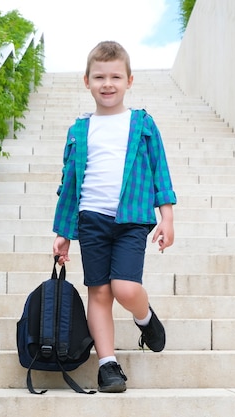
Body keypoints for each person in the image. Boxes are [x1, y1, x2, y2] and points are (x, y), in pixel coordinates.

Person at [51, 40, 177, 393]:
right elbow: (69, 184)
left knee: (124, 287)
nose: (108, 84)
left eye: (116, 77)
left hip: (132, 218)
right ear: (86, 81)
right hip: (91, 219)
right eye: (100, 77)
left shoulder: (142, 123)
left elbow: (159, 172)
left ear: (130, 81)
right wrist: (64, 231)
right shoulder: (79, 129)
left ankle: (145, 317)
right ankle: (108, 365)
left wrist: (167, 218)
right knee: (100, 291)